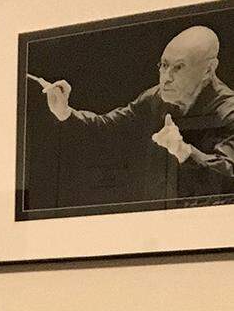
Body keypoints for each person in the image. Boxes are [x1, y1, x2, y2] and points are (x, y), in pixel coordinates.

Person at [36, 26, 234, 199]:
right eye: (164, 66)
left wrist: (183, 151)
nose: (165, 78)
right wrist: (65, 112)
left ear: (209, 70)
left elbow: (229, 178)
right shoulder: (155, 98)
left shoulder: (229, 111)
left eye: (178, 67)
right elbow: (110, 127)